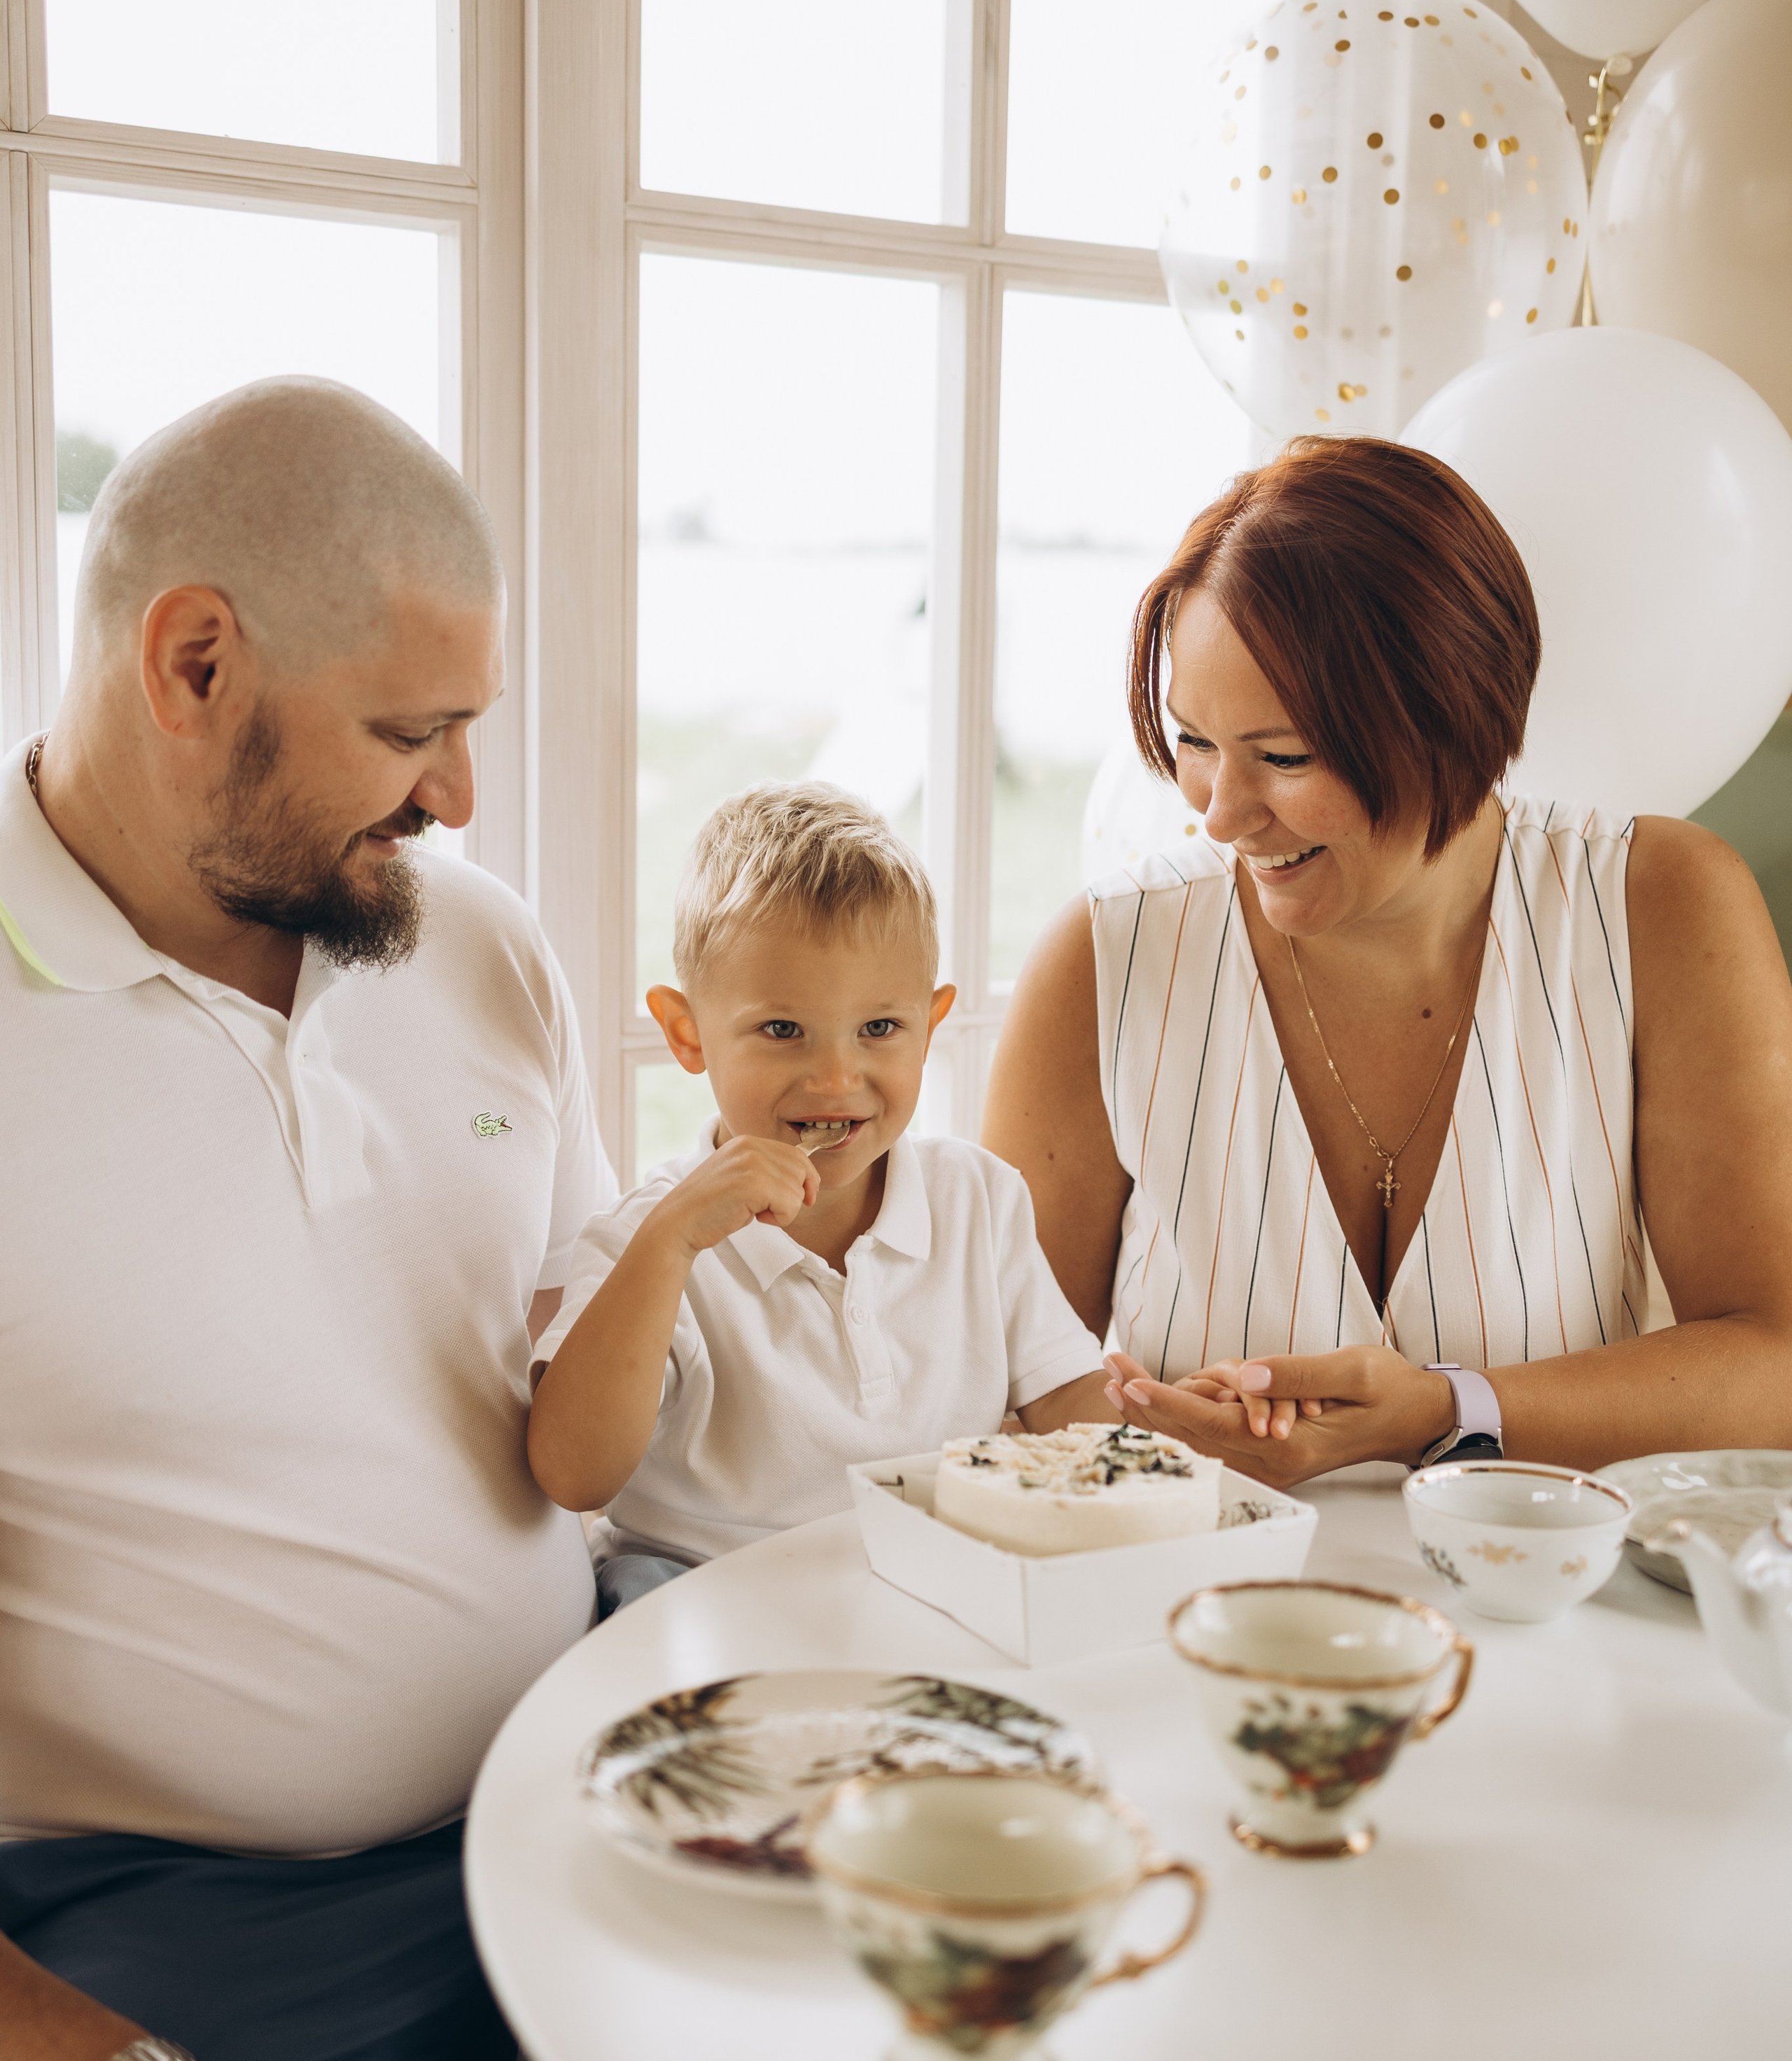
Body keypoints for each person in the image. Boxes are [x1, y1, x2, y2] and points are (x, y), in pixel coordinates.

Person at [0, 379, 655, 2061]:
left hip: (595, 1814)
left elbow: (588, 1386)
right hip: (192, 1935)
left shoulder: (476, 950)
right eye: (411, 732)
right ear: (192, 661)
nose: (459, 796)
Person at [983, 433, 1792, 1482]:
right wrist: (1150, 1434)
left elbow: (1774, 1363)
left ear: (1453, 712)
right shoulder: (1105, 960)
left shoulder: (1663, 907)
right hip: (1192, 1613)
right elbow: (992, 1379)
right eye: (1193, 743)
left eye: (1283, 758)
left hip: (1564, 1631)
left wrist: (1446, 1411)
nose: (1223, 816)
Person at [528, 784, 1116, 1555]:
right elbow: (573, 1476)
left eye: (879, 1028)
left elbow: (1066, 1396)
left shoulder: (977, 1200)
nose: (836, 1078)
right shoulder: (645, 1235)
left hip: (921, 1583)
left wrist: (1169, 1430)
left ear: (929, 1026)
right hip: (698, 1600)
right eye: (782, 1030)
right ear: (685, 1032)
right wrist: (668, 1247)